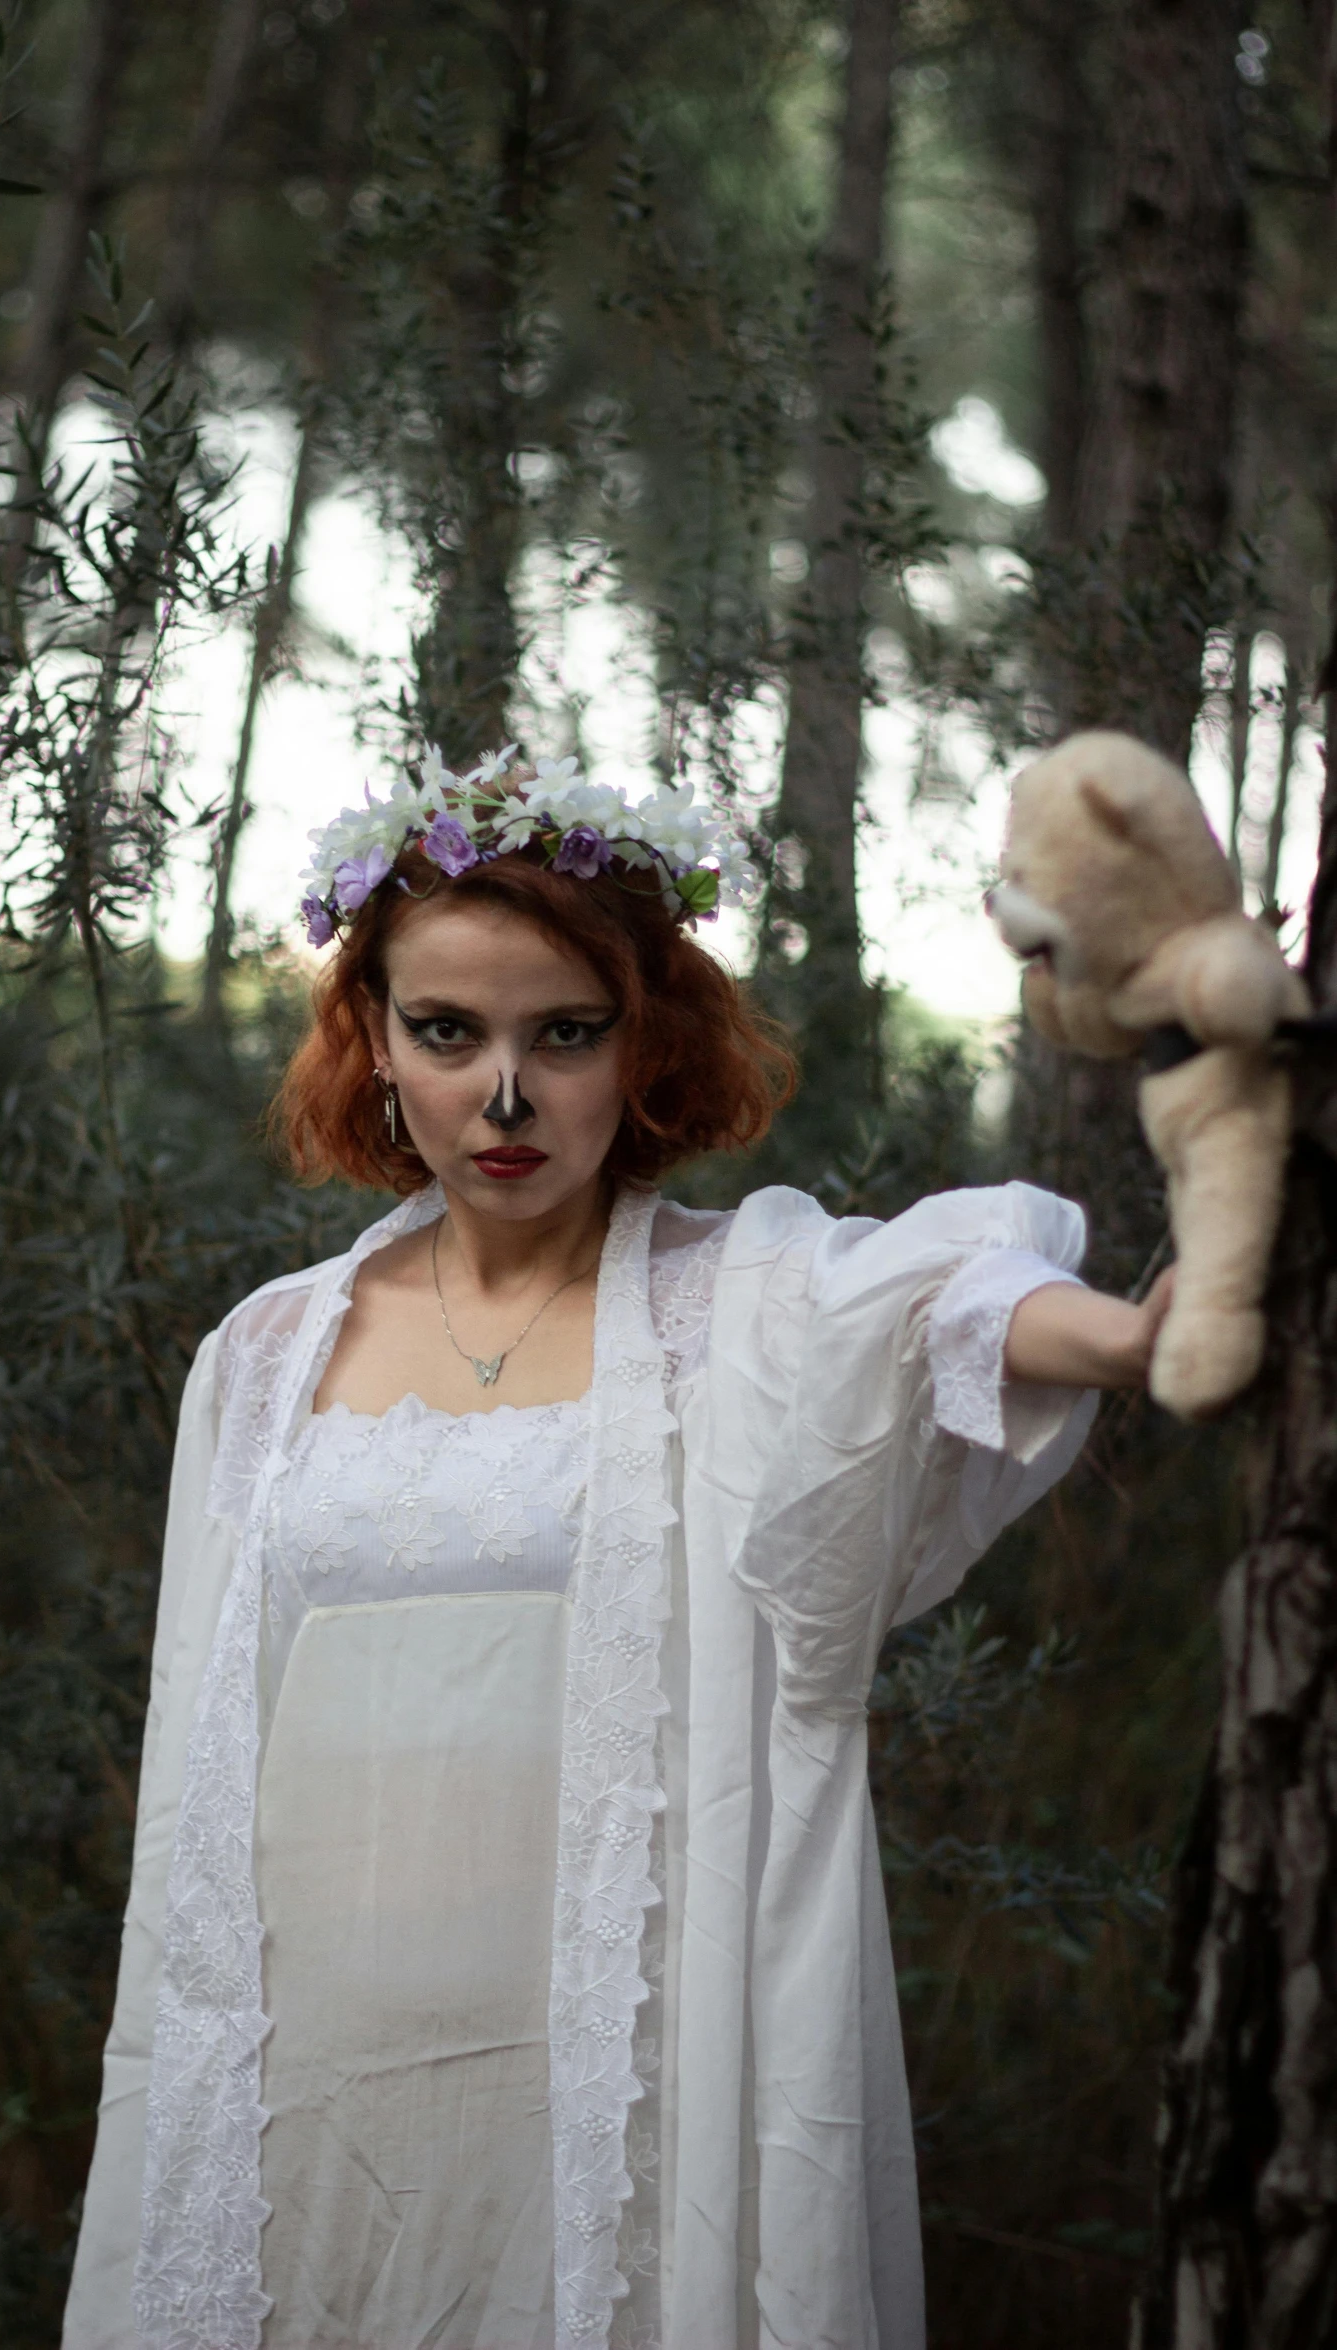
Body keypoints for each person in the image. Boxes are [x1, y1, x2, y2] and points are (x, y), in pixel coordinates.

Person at [63, 752, 1172, 2350]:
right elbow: (194, 1766)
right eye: (447, 1032)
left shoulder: (740, 1312)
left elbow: (946, 1299)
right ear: (373, 1039)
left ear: (640, 1040)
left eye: (561, 1032)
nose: (502, 1095)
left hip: (612, 2077)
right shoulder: (265, 1357)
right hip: (299, 2078)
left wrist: (1146, 1336)